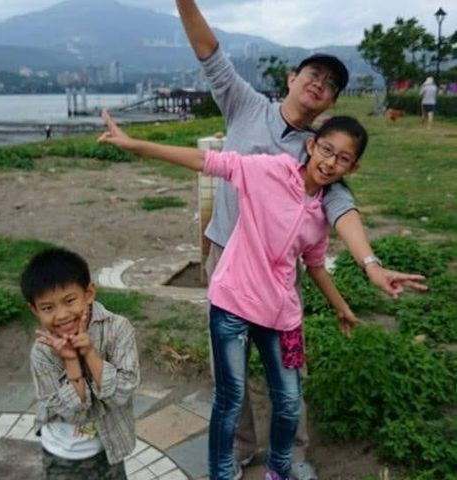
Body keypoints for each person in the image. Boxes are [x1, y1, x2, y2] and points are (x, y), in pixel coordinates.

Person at [175, 2, 427, 479]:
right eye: (313, 74)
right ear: (291, 78)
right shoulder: (245, 104)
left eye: (330, 84)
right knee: (227, 369)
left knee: (290, 370)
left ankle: (291, 455)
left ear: (331, 103)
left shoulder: (319, 149)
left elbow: (341, 206)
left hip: (278, 275)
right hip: (227, 258)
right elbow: (209, 51)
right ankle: (240, 447)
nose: (319, 84)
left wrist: (370, 264)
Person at [99, 109, 371, 479]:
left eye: (343, 158)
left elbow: (316, 264)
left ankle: (279, 469)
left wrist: (341, 307)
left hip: (283, 316)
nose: (330, 162)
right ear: (311, 146)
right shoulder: (269, 170)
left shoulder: (321, 210)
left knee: (289, 400)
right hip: (233, 305)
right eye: (326, 150)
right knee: (229, 399)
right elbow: (205, 161)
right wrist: (136, 145)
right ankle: (223, 471)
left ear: (352, 167)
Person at [21, 248, 139, 480]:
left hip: (110, 447)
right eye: (48, 308)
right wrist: (71, 360)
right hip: (62, 456)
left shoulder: (117, 329)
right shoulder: (42, 352)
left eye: (69, 301)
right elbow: (75, 413)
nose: (62, 315)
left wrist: (89, 352)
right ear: (34, 309)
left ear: (89, 293)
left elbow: (123, 392)